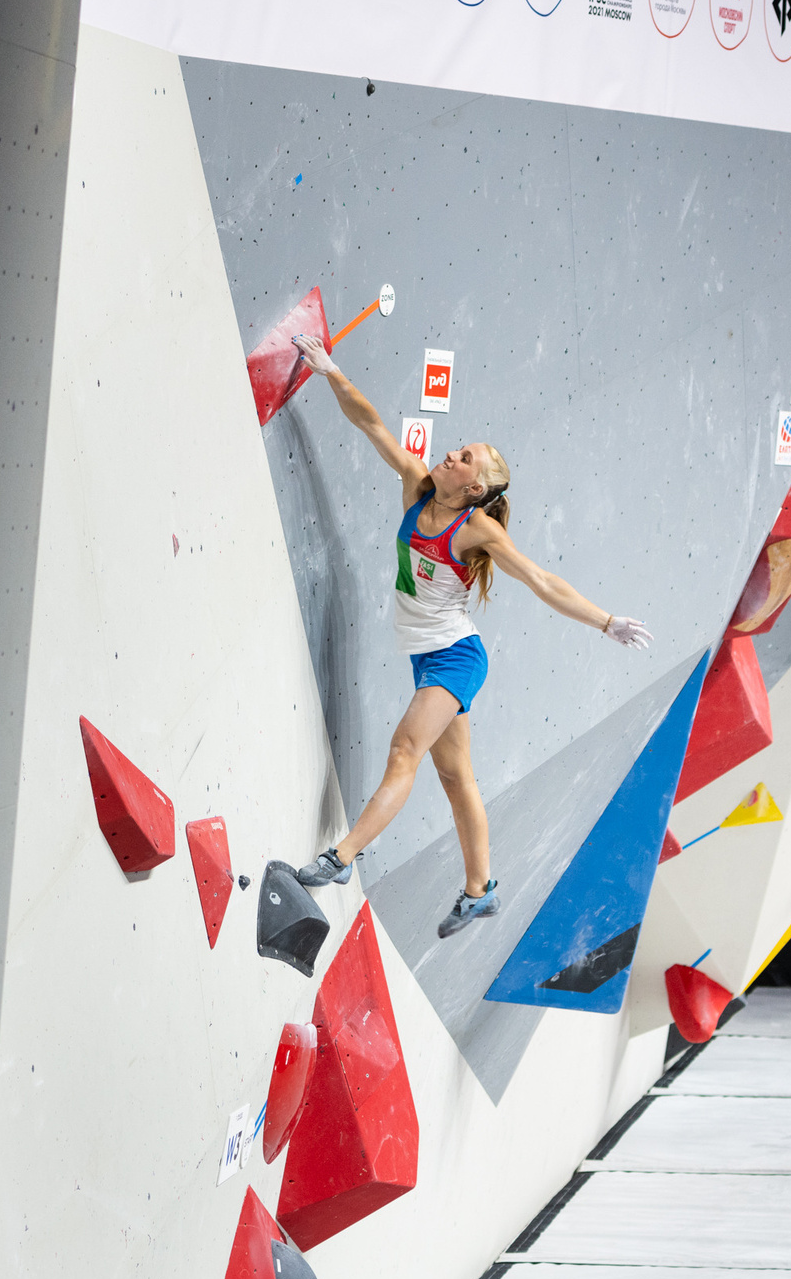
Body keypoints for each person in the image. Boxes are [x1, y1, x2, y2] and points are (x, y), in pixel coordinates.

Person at [277, 332, 652, 938]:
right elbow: (370, 423)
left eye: (463, 459)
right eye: (456, 451)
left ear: (474, 489)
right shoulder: (417, 487)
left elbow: (542, 581)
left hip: (456, 660)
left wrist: (606, 621)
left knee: (405, 751)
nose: (450, 456)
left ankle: (341, 858)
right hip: (427, 659)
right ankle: (480, 892)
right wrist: (329, 371)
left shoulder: (478, 531)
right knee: (457, 781)